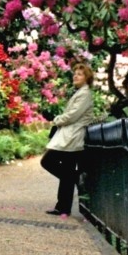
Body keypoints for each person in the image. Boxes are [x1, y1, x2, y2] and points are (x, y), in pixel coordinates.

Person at [40, 62, 95, 217]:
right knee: (66, 171)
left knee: (48, 161)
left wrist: (57, 119)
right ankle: (63, 206)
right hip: (69, 137)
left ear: (87, 78)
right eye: (75, 73)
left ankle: (70, 190)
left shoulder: (85, 94)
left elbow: (72, 116)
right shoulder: (80, 93)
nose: (75, 76)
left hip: (72, 138)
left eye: (80, 74)